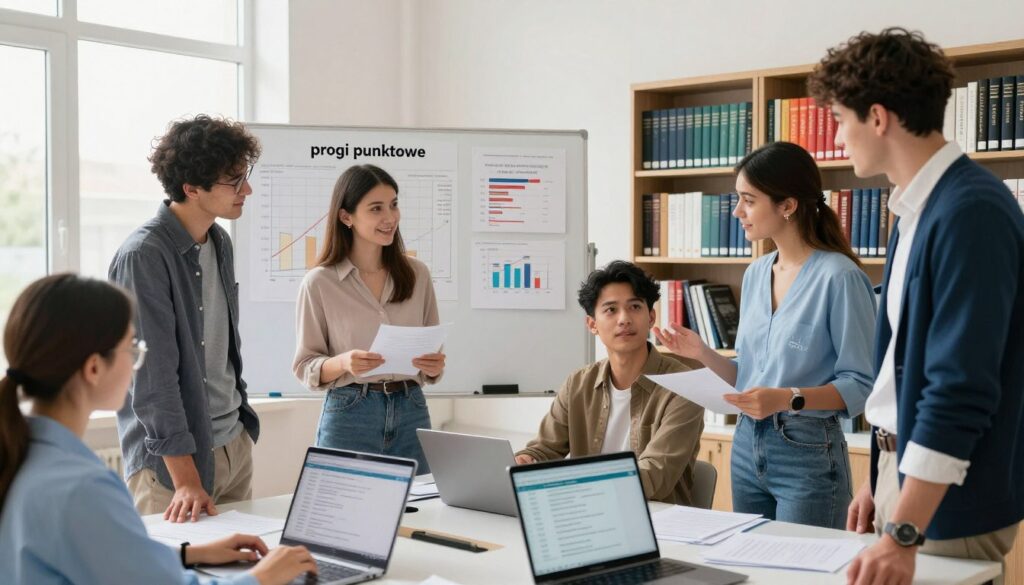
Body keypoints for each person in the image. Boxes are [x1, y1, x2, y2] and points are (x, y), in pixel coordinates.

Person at [808, 28, 1024, 585]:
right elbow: (897, 372)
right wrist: (878, 478)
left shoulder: (970, 212)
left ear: (877, 117)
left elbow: (960, 387)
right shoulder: (912, 214)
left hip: (949, 498)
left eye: (839, 118)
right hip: (900, 478)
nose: (836, 136)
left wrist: (905, 528)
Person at [0, 274, 316, 585]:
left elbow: (95, 558)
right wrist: (263, 577)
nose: (137, 362)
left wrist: (188, 555)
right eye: (131, 350)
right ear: (94, 368)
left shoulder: (21, 456)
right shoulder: (80, 486)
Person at [655, 141, 876, 528]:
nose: (738, 211)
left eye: (748, 200)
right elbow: (751, 377)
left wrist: (787, 398)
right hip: (745, 447)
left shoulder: (840, 278)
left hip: (807, 450)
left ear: (787, 205)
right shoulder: (756, 273)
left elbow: (860, 384)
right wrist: (703, 352)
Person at [109, 115, 262, 521]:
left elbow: (223, 346)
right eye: (234, 181)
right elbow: (152, 378)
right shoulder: (143, 256)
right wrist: (186, 479)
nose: (246, 189)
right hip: (174, 469)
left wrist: (241, 434)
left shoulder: (219, 241)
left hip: (233, 446)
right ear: (192, 189)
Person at [293, 164, 445, 472]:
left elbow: (433, 358)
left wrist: (435, 366)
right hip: (350, 411)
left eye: (394, 205)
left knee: (420, 512)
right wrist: (344, 362)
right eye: (376, 208)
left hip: (411, 408)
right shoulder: (320, 283)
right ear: (346, 216)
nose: (390, 218)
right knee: (342, 511)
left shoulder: (418, 274)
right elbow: (305, 366)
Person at [514, 260, 705, 505]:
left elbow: (656, 475)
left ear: (651, 317)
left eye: (635, 306)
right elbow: (544, 449)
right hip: (589, 514)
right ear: (592, 324)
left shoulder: (684, 386)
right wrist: (526, 460)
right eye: (611, 310)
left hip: (658, 522)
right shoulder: (578, 383)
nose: (624, 319)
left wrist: (576, 485)